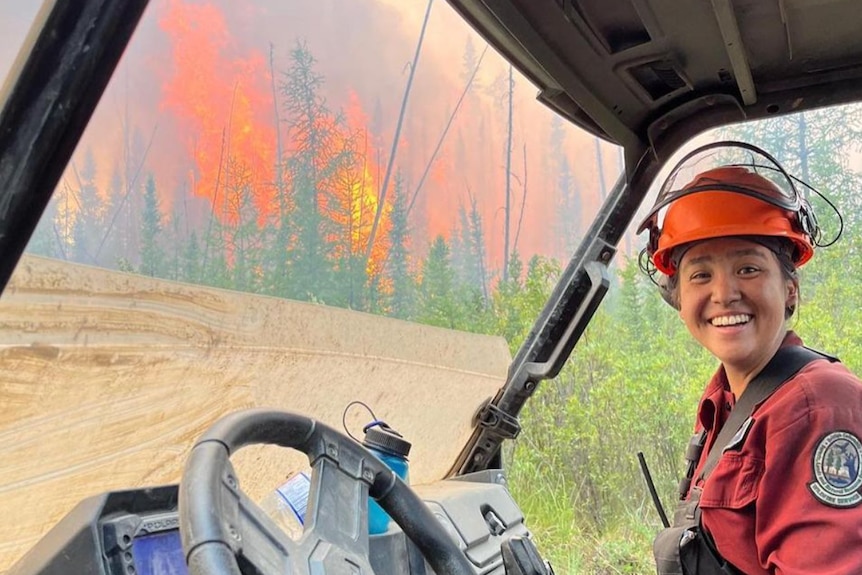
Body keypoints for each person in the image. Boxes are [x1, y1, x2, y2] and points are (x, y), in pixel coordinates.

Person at [638, 141, 862, 574]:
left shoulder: (817, 407)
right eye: (701, 274)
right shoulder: (728, 404)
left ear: (790, 289)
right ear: (679, 299)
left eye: (748, 268)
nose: (724, 294)